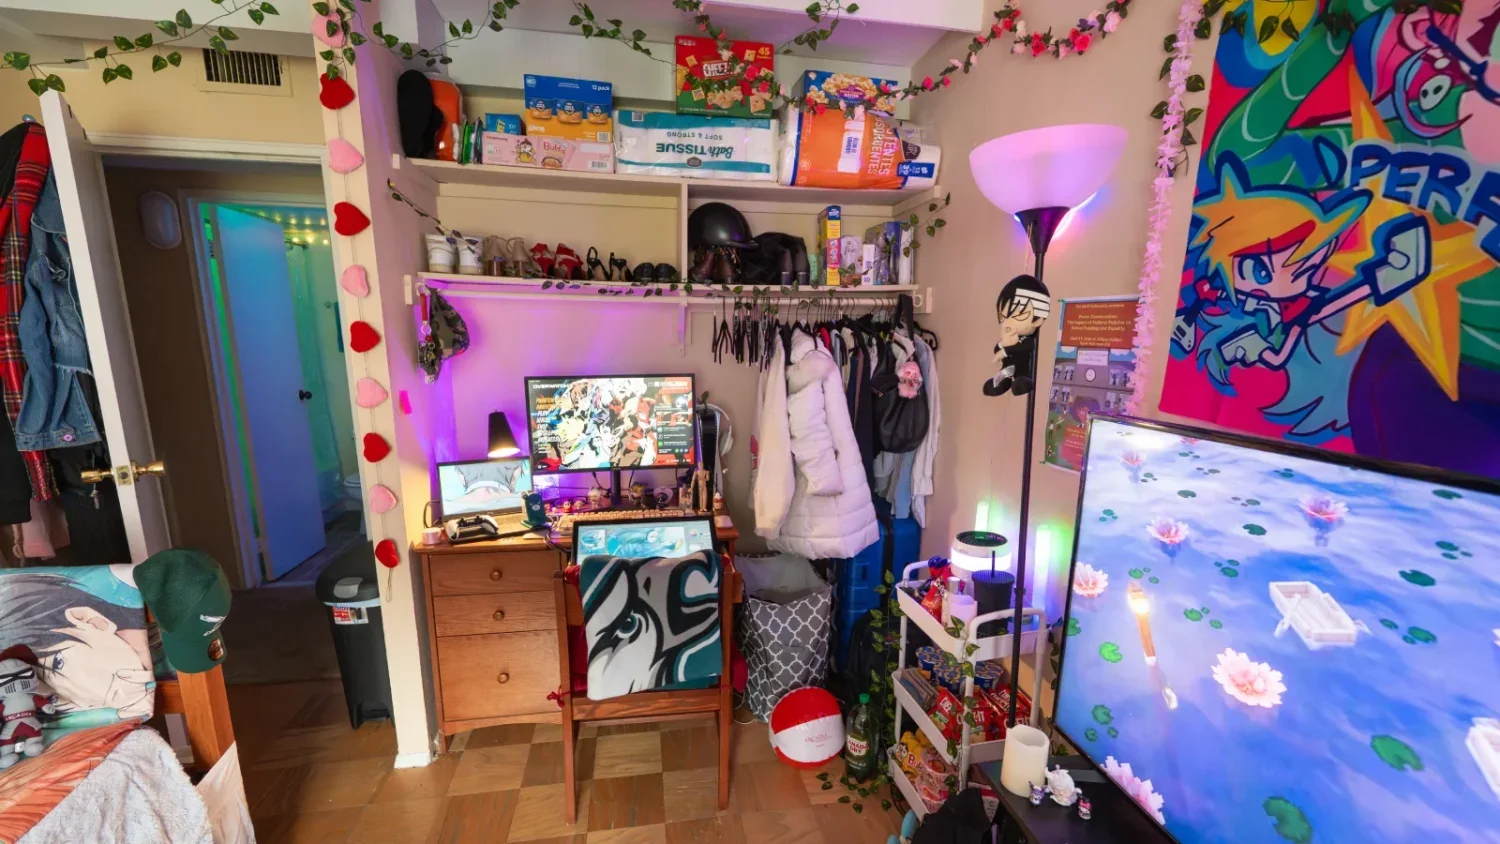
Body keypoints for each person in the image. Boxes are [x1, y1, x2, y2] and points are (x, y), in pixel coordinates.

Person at [0, 569, 155, 720]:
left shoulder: (129, 581)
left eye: (58, 662)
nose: (90, 697)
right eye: (55, 699)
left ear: (88, 620)